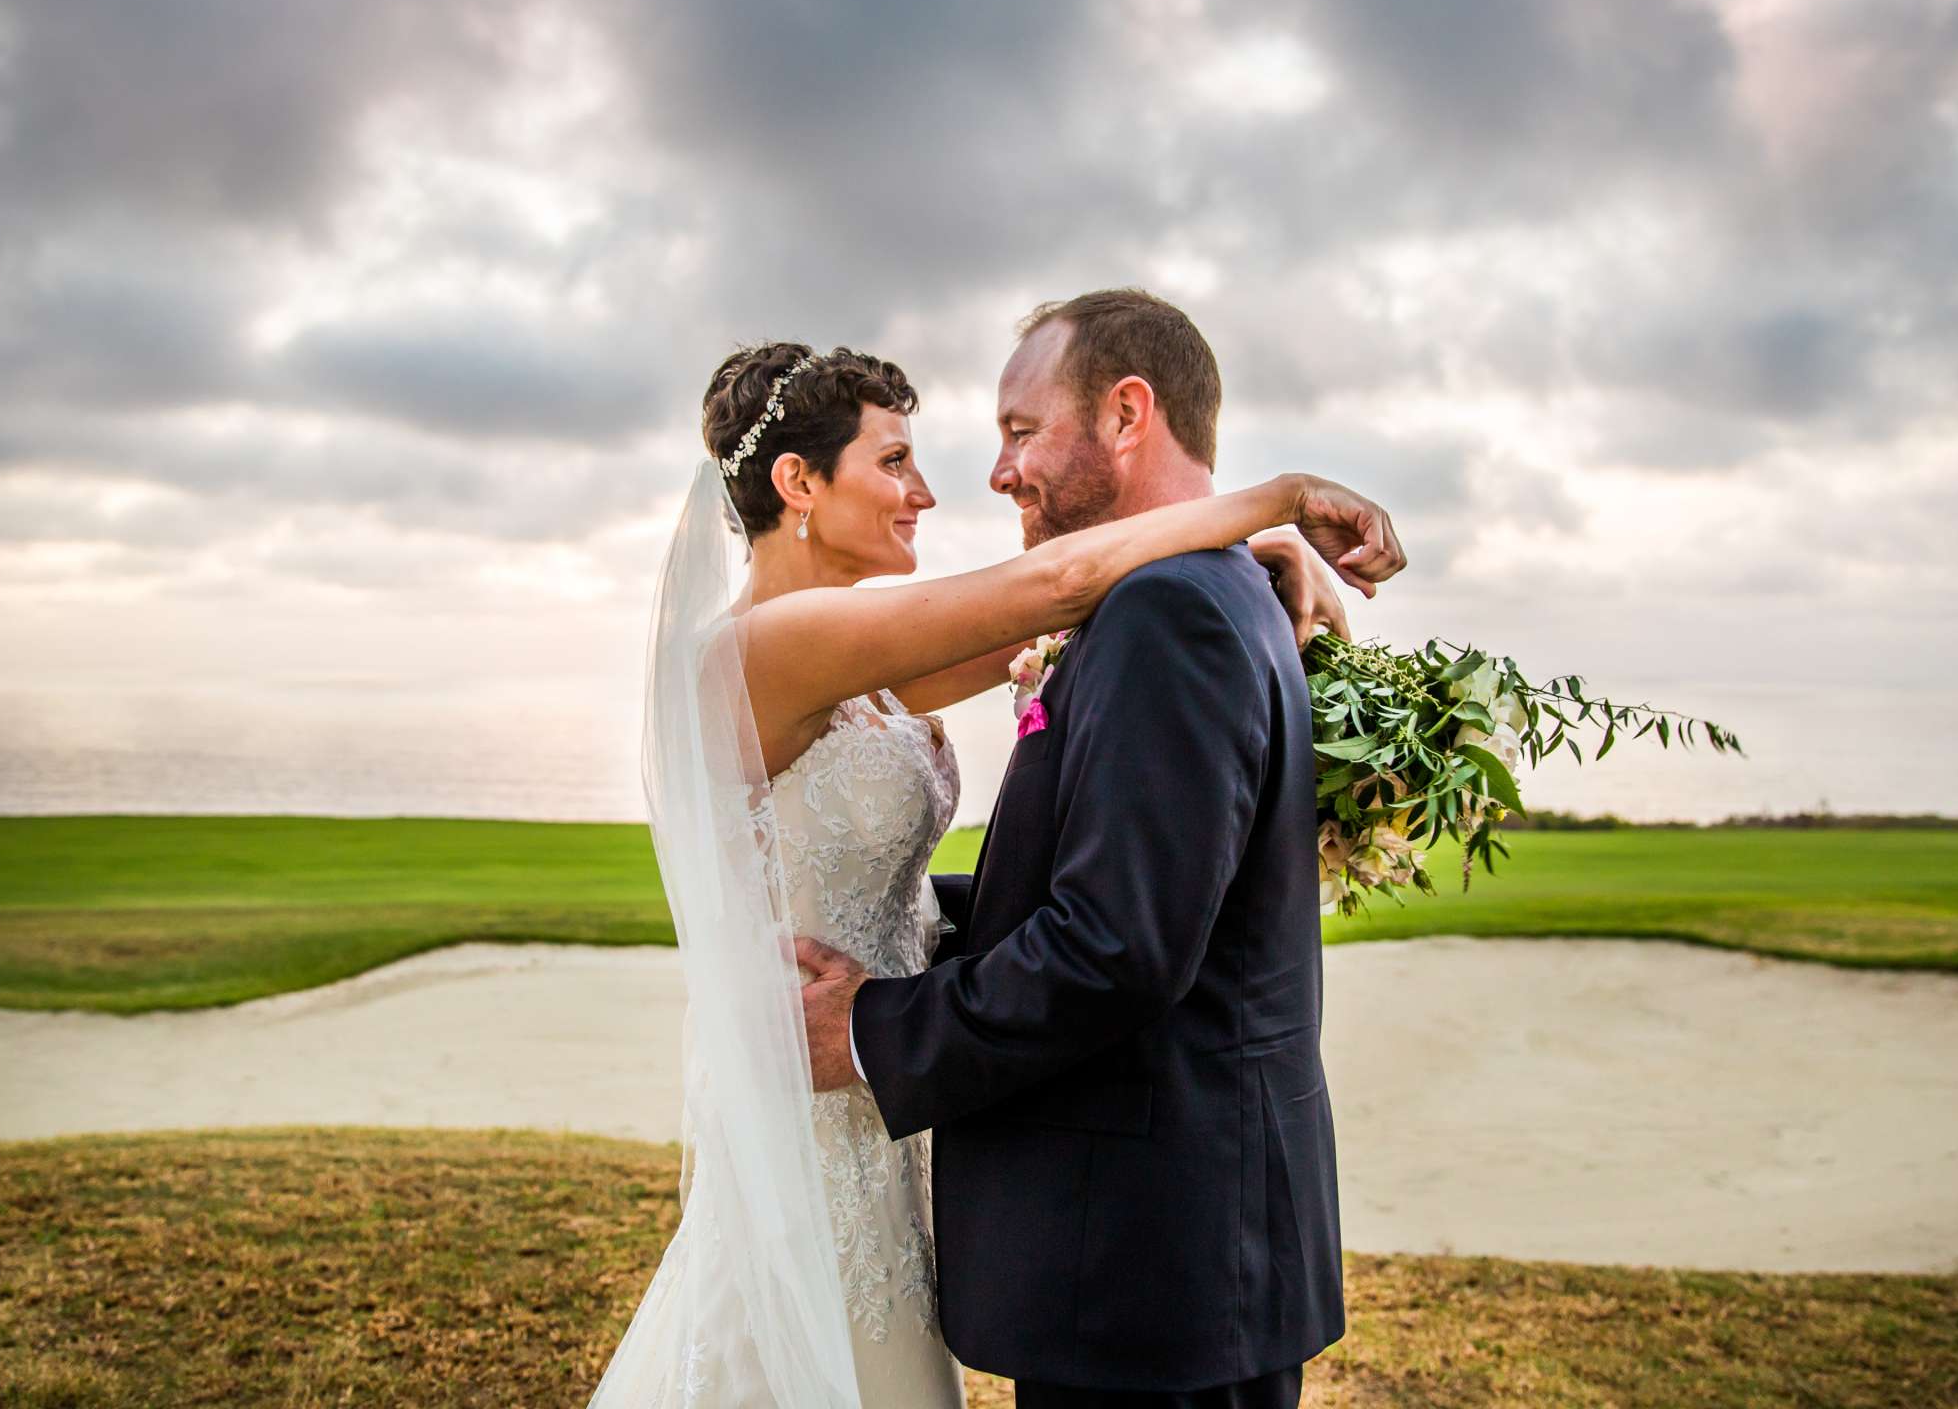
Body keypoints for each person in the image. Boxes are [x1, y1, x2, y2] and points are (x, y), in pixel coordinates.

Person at [591, 306, 1401, 1407]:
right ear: (798, 484)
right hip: (824, 1088)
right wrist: (1271, 502)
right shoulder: (769, 649)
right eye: (895, 461)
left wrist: (1253, 564)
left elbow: (1083, 611)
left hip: (884, 1093)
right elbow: (1053, 592)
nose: (931, 491)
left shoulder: (872, 659)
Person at [799, 289, 1366, 1407]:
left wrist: (870, 1026)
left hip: (1151, 1275)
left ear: (1126, 414)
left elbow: (1115, 946)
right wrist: (907, 924)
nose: (1000, 473)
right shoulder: (1210, 592)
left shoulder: (1171, 613)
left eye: (1020, 432)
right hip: (1175, 1269)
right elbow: (1110, 889)